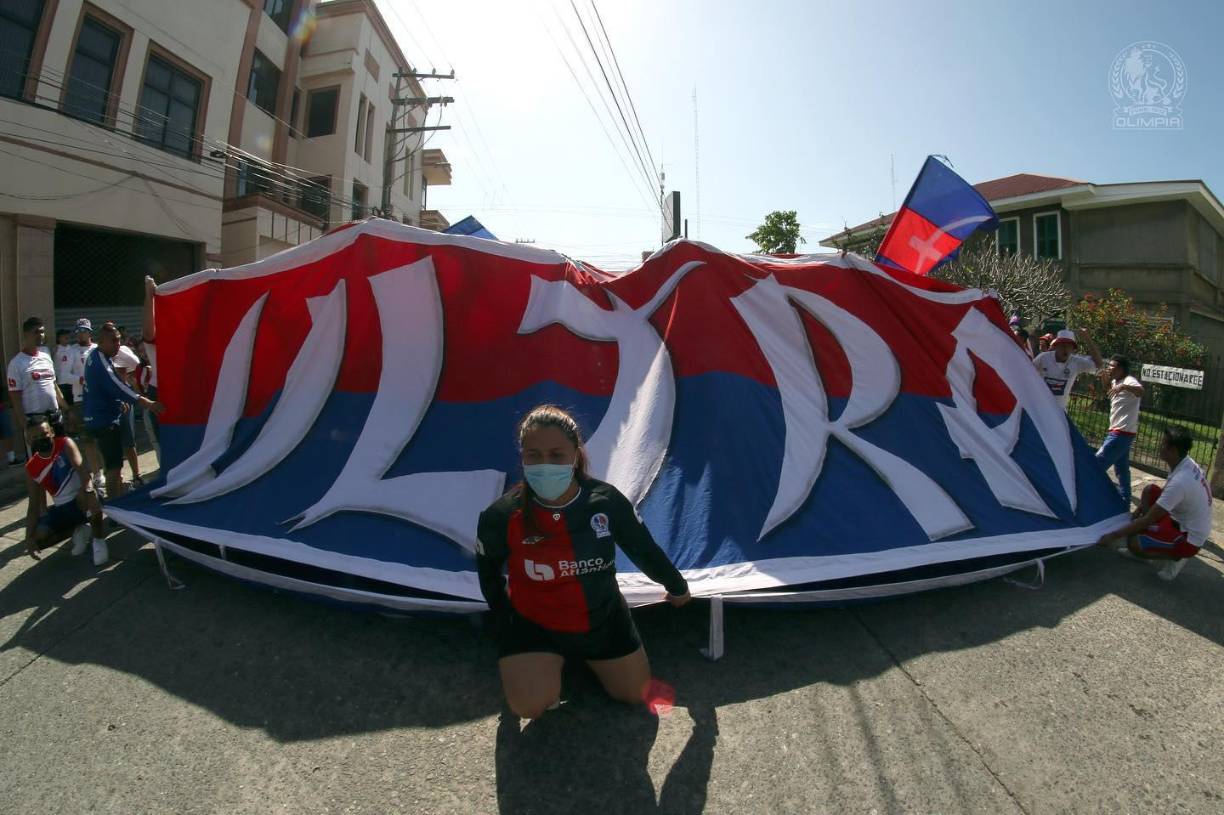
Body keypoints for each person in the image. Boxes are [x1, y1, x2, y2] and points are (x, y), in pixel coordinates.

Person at [476, 405, 691, 720]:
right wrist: (502, 622)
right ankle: (541, 668)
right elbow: (488, 572)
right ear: (522, 457)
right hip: (534, 625)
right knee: (529, 707)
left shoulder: (606, 502)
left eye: (556, 454)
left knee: (634, 695)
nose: (544, 464)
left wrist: (677, 587)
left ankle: (579, 662)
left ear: (575, 455)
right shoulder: (501, 515)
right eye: (533, 455)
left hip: (602, 620)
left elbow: (644, 549)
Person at [1097, 426, 1212, 581]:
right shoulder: (1185, 463)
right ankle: (1158, 540)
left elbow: (1148, 518)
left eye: (1164, 444)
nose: (1160, 447)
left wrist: (1112, 536)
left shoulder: (1181, 481)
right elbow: (1167, 494)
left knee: (1134, 541)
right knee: (1149, 491)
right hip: (1181, 521)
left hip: (1189, 538)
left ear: (1174, 450)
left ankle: (1176, 557)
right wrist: (1139, 510)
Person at [83, 322, 163, 500]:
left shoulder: (95, 355)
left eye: (119, 340)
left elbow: (106, 388)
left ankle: (118, 498)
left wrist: (118, 400)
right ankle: (114, 507)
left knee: (112, 464)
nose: (118, 345)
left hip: (97, 417)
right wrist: (148, 403)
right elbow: (118, 386)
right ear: (101, 342)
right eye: (113, 341)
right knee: (114, 467)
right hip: (104, 422)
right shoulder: (100, 363)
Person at [21, 416, 107, 565]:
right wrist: (28, 538)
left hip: (83, 496)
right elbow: (33, 506)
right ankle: (79, 529)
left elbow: (83, 472)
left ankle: (98, 541)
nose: (41, 439)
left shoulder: (65, 444)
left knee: (91, 496)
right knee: (37, 537)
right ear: (29, 441)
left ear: (52, 432)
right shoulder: (31, 467)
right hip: (63, 508)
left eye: (44, 434)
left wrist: (85, 490)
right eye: (35, 437)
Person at [7, 317, 70, 450]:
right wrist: (26, 427)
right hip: (35, 423)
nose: (40, 335)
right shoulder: (16, 363)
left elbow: (53, 386)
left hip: (55, 417)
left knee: (61, 459)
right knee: (41, 463)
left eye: (42, 331)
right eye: (36, 332)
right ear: (26, 334)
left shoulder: (45, 356)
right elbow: (15, 399)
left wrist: (67, 409)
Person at [1095, 355, 1144, 502]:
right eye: (1109, 365)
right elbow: (1108, 389)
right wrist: (1104, 377)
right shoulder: (1117, 381)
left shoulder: (1128, 380)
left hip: (1120, 433)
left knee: (1096, 465)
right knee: (1122, 470)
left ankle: (1093, 497)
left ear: (1121, 369)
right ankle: (1125, 500)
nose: (1109, 368)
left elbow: (1141, 391)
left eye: (1112, 366)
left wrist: (1124, 386)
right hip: (1121, 432)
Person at [66, 318, 102, 489]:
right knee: (88, 440)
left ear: (90, 332)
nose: (81, 334)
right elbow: (63, 376)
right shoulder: (70, 352)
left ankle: (105, 472)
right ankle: (96, 475)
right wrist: (81, 379)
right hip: (81, 399)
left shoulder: (98, 349)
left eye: (84, 331)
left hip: (100, 398)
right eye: (78, 331)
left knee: (103, 438)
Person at [1031, 329, 1104, 410]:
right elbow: (1028, 372)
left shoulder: (1076, 362)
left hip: (1060, 411)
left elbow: (1099, 365)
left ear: (1073, 349)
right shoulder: (1043, 357)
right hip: (1039, 407)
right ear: (1056, 346)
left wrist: (1087, 338)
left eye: (1069, 346)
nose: (1065, 349)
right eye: (1062, 345)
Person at [111, 341, 145, 487]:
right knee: (111, 444)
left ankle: (136, 475)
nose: (115, 342)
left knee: (129, 441)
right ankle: (116, 478)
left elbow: (135, 362)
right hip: (108, 404)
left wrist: (119, 349)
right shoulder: (97, 355)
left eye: (117, 339)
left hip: (124, 402)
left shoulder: (121, 352)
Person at [53, 329, 74, 405]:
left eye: (67, 336)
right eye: (64, 336)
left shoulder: (72, 349)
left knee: (70, 404)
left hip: (70, 381)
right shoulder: (56, 349)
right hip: (60, 382)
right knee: (61, 404)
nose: (66, 337)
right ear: (59, 338)